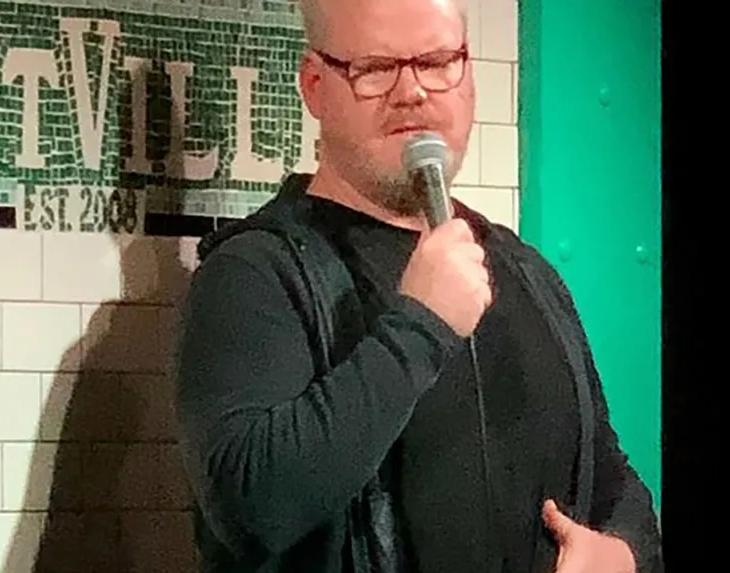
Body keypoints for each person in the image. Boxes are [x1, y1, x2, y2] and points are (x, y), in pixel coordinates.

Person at [172, 0, 663, 571]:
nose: (412, 92)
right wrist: (420, 328)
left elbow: (611, 477)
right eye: (375, 68)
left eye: (435, 61)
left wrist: (623, 552)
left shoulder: (526, 271)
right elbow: (250, 508)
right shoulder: (255, 272)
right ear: (315, 86)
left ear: (469, 73)